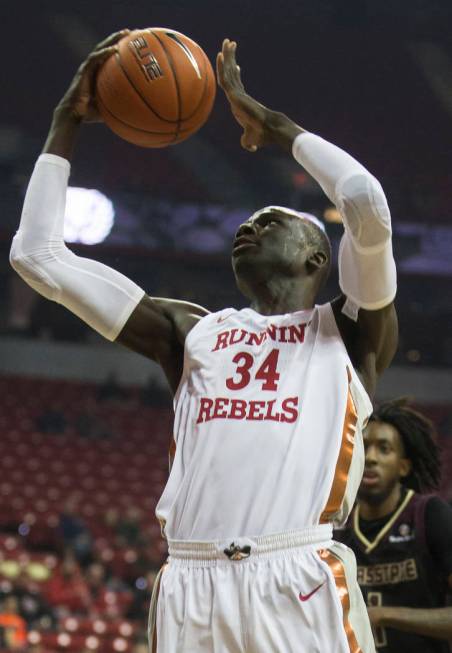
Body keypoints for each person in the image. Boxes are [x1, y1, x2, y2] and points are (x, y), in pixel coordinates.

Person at [10, 31, 399, 652]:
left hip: (295, 576)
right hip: (190, 582)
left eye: (270, 221)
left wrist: (280, 128)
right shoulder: (192, 332)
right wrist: (65, 124)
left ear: (317, 256)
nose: (250, 226)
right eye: (246, 223)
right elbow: (36, 256)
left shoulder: (349, 333)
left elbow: (366, 206)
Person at [335, 398, 452, 652]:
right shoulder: (337, 527)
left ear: (403, 466)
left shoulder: (431, 516)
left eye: (384, 448)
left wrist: (383, 615)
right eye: (364, 447)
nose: (371, 457)